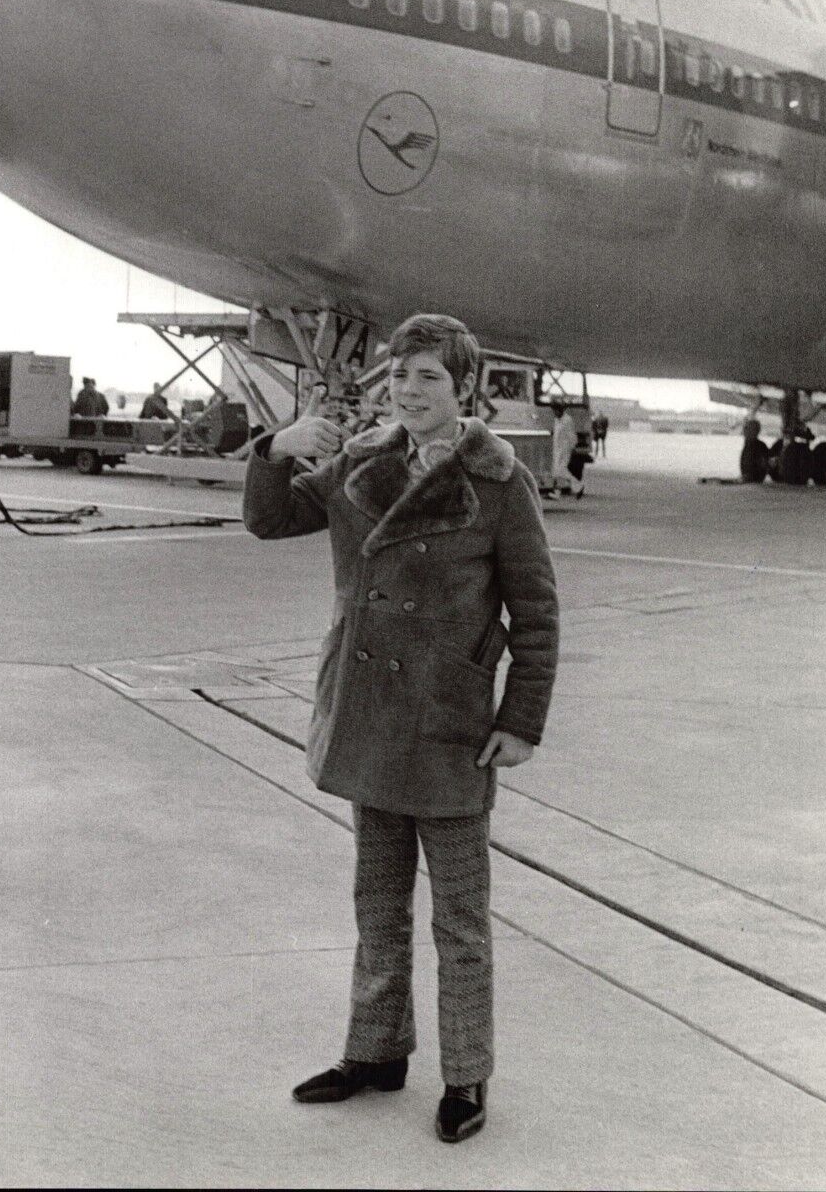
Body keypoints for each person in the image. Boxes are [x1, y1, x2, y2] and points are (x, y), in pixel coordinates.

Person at [244, 314, 559, 1144]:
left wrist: (521, 720)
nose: (408, 393)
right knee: (377, 900)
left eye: (428, 378)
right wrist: (278, 447)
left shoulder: (498, 482)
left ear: (464, 390)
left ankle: (466, 1077)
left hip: (449, 725)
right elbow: (270, 522)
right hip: (370, 716)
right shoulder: (360, 463)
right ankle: (375, 1053)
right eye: (400, 377)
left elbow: (536, 613)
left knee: (460, 918)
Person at [549, 398, 582, 498]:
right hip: (557, 449)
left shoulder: (567, 420)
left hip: (565, 449)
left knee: (561, 471)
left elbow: (572, 435)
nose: (554, 413)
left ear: (560, 410)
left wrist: (573, 447)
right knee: (555, 472)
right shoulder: (557, 420)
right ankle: (557, 493)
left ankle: (579, 486)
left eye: (555, 411)